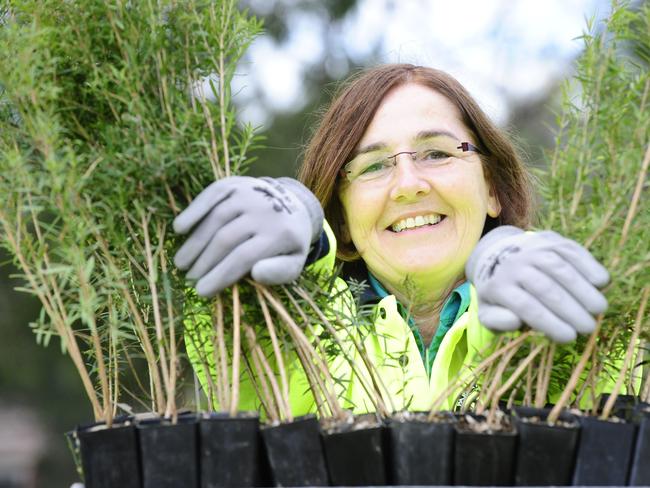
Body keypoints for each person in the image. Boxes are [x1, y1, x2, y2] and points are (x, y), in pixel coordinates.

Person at [173, 64, 610, 413]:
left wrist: (513, 257)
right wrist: (298, 233)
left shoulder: (575, 306)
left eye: (437, 153)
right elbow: (241, 337)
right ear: (341, 221)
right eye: (373, 165)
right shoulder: (292, 338)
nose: (408, 184)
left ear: (492, 189)